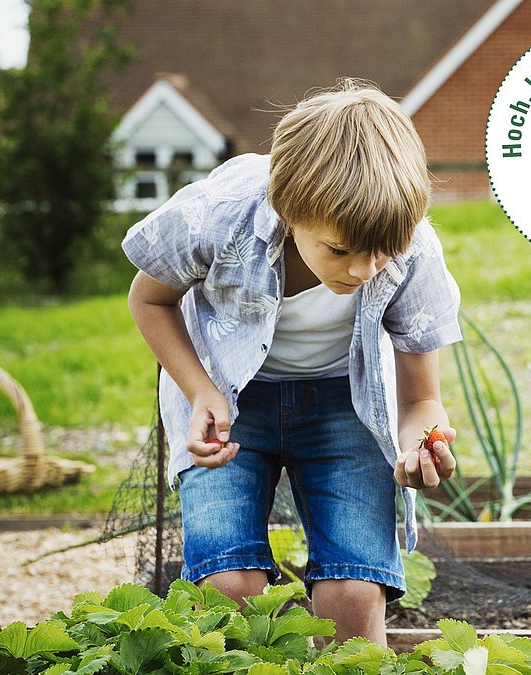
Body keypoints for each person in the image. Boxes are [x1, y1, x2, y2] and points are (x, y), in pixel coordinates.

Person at [121, 79, 462, 645]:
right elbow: (149, 298)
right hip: (229, 402)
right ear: (289, 208)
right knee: (228, 587)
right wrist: (200, 391)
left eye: (383, 252)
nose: (363, 271)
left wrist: (418, 443)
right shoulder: (221, 216)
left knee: (351, 602)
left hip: (343, 403)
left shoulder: (412, 246)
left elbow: (421, 398)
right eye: (340, 250)